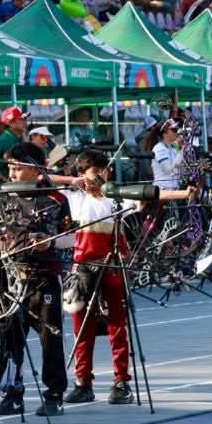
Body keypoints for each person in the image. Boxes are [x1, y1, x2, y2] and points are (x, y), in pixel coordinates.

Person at [59, 148, 194, 404]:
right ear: (82, 175)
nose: (101, 177)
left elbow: (151, 194)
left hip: (112, 269)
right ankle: (82, 382)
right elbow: (47, 181)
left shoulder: (116, 198)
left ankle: (121, 383)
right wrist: (72, 181)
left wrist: (184, 194)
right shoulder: (75, 197)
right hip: (84, 272)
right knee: (81, 329)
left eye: (104, 172)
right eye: (95, 174)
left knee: (117, 328)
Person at [0, 142, 73, 416]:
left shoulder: (56, 199)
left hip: (44, 278)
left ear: (35, 170)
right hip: (11, 277)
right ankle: (13, 393)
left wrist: (49, 243)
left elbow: (72, 238)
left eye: (17, 168)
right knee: (9, 339)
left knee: (51, 337)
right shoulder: (3, 198)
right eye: (9, 168)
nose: (11, 174)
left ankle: (54, 394)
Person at [150, 120, 182, 190]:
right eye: (174, 130)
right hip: (162, 190)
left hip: (174, 190)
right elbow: (169, 171)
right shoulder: (159, 148)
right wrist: (182, 151)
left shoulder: (174, 148)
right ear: (164, 133)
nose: (177, 132)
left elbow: (180, 169)